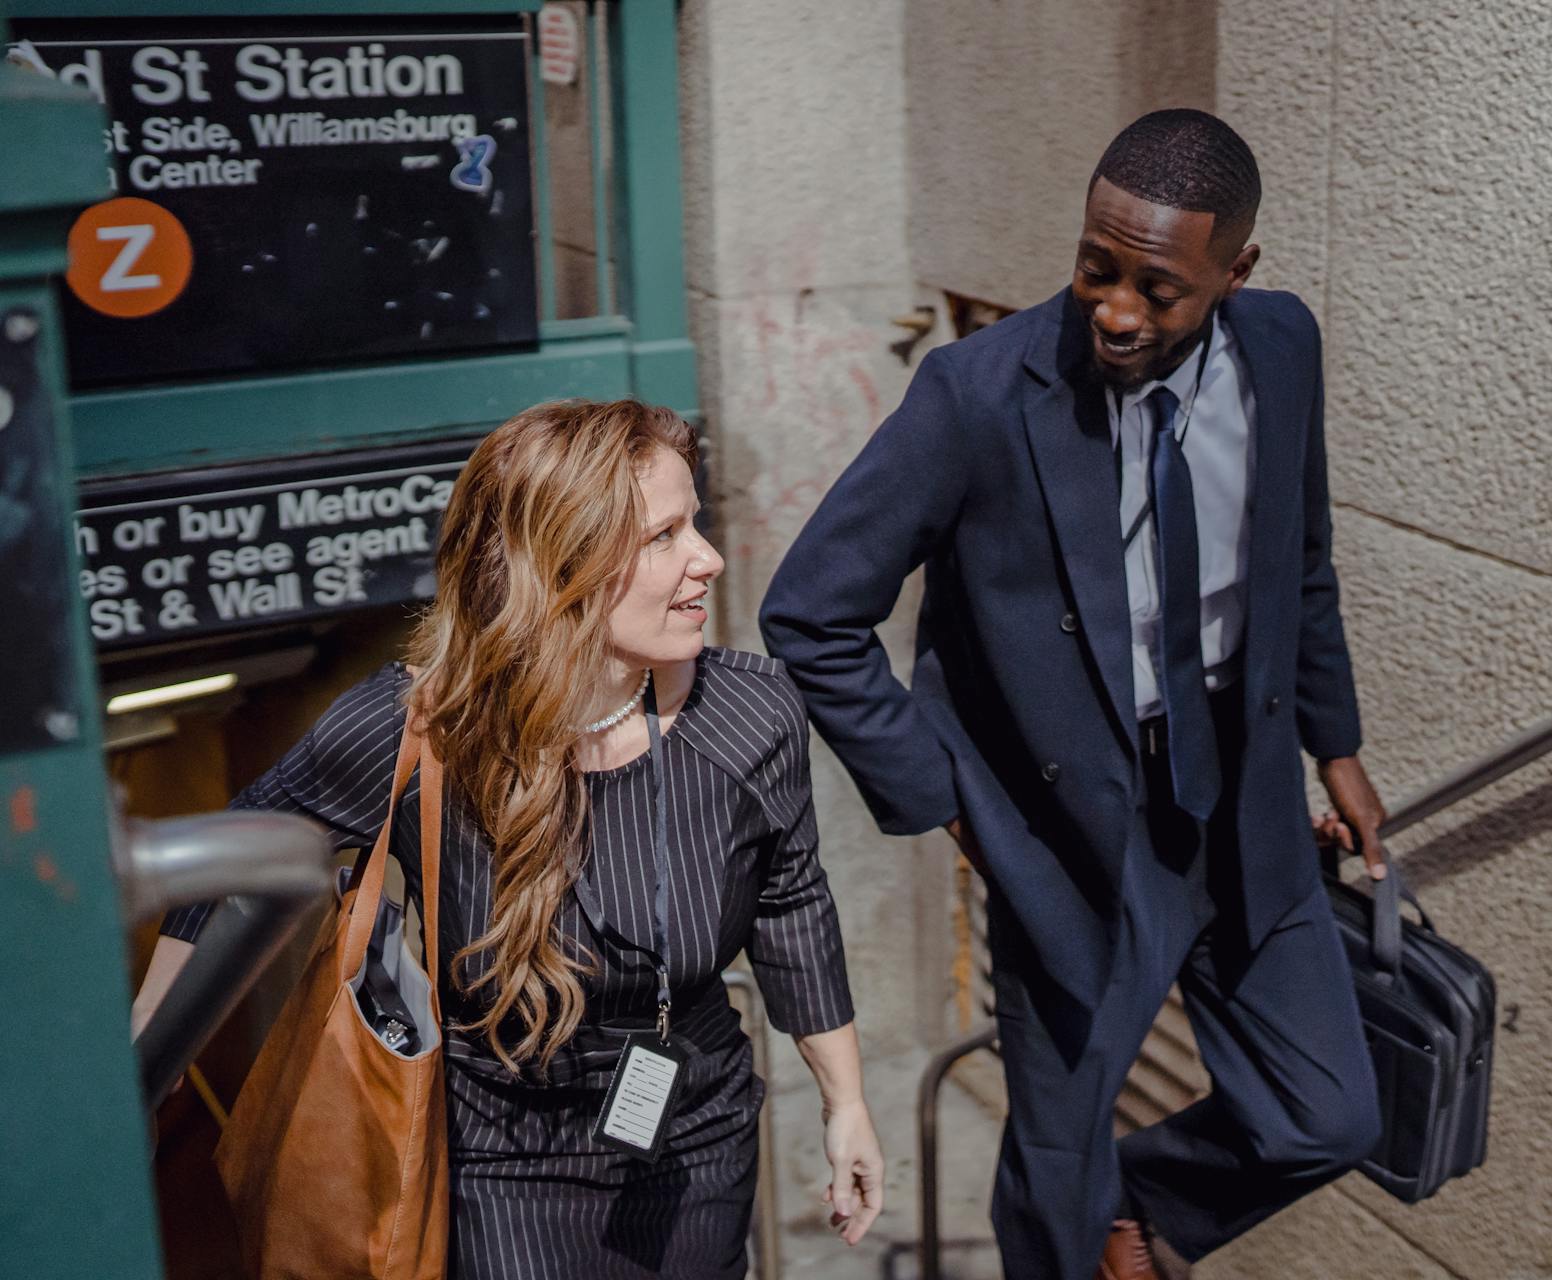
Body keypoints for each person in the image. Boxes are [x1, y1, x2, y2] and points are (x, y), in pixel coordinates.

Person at [761, 109, 1388, 1280]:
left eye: (1159, 289)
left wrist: (1336, 743)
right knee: (1055, 1181)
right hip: (1067, 845)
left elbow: (1303, 558)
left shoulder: (1284, 347)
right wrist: (950, 799)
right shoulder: (977, 395)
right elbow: (810, 609)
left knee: (1330, 1115)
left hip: (1244, 808)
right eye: (1097, 267)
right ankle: (1082, 1220)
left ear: (1237, 274)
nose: (1114, 309)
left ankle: (1141, 1202)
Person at [132, 399, 884, 1280]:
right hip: (503, 1155)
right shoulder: (417, 729)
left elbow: (792, 901)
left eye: (698, 524)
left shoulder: (751, 712)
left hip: (695, 1137)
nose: (708, 559)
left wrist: (847, 1104)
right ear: (557, 564)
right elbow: (231, 858)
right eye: (663, 536)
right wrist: (150, 1049)